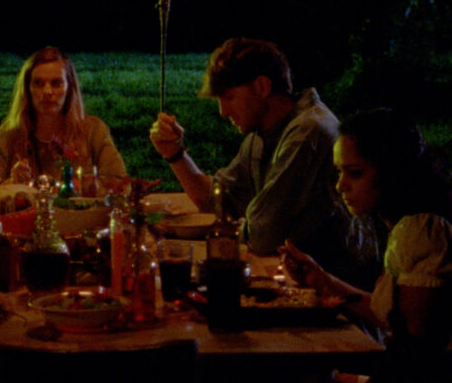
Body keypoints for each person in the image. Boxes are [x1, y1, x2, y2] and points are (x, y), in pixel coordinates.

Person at [281, 109, 452, 382]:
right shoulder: (402, 227)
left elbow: (416, 353)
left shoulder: (421, 232)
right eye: (339, 172)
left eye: (355, 173)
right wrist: (322, 280)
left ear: (392, 171)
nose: (341, 186)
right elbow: (394, 316)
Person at [149, 38, 350, 269]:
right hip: (298, 272)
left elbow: (263, 235)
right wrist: (175, 153)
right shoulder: (263, 133)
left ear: (262, 87)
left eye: (229, 97)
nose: (223, 112)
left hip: (337, 278)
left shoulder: (307, 132)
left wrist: (228, 228)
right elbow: (217, 202)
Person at [0, 46, 127, 199]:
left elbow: (121, 183)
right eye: (38, 83)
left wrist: (71, 186)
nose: (47, 92)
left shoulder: (93, 130)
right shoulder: (10, 133)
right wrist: (9, 184)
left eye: (56, 83)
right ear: (27, 89)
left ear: (69, 88)